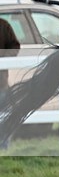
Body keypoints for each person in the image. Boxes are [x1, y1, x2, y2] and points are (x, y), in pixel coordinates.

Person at [1, 17, 21, 149]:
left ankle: (3, 145)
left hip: (0, 81)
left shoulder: (3, 25)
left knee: (4, 113)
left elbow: (15, 46)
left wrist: (3, 59)